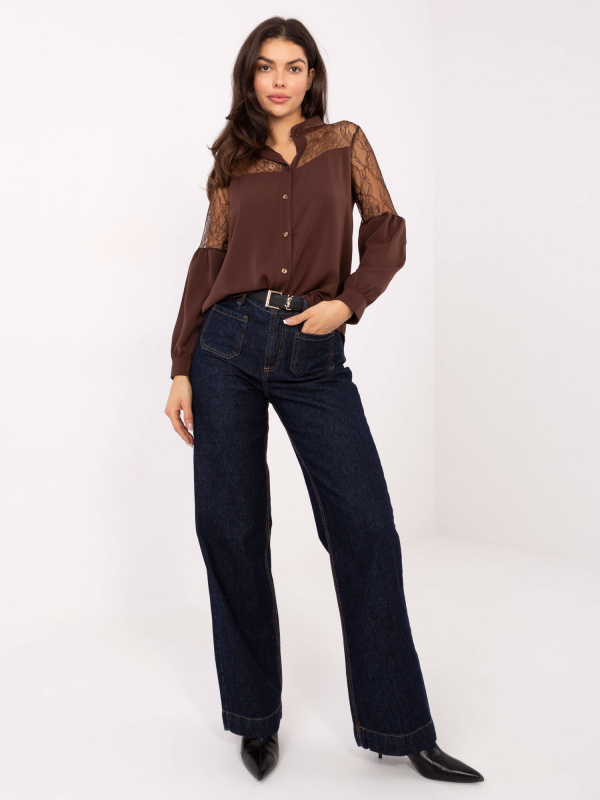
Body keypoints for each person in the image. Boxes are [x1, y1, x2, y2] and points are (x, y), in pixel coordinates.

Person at [164, 16, 484, 784]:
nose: (279, 80)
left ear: (312, 76)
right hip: (226, 349)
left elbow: (387, 227)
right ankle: (254, 719)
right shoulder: (233, 159)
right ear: (249, 77)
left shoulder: (343, 143)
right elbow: (209, 258)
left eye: (294, 66)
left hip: (313, 353)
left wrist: (349, 301)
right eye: (265, 66)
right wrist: (181, 366)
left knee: (365, 528)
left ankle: (401, 727)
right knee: (231, 528)